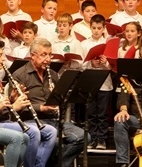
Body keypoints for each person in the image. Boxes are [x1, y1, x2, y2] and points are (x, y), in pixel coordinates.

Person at [0, 39, 57, 167]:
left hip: (3, 120)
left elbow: (0, 104)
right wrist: (14, 107)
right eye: (0, 55)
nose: (3, 59)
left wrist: (12, 98)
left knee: (50, 131)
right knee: (33, 132)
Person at [11, 38, 88, 167]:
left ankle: (57, 164)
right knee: (54, 140)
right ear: (33, 56)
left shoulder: (53, 74)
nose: (48, 59)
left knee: (83, 137)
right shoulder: (20, 75)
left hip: (54, 120)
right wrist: (41, 108)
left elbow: (62, 101)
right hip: (32, 121)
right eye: (43, 55)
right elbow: (17, 108)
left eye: (49, 55)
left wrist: (61, 99)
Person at [113, 44, 142, 167]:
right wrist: (123, 109)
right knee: (120, 121)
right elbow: (123, 96)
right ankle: (123, 163)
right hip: (137, 119)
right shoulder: (130, 79)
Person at [81, 14, 113, 149]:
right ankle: (92, 139)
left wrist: (105, 63)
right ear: (90, 27)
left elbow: (113, 67)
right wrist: (91, 64)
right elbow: (81, 65)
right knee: (91, 113)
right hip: (90, 83)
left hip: (105, 83)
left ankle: (102, 140)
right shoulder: (84, 44)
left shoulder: (109, 43)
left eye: (99, 28)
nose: (96, 31)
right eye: (94, 28)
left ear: (104, 28)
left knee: (102, 114)